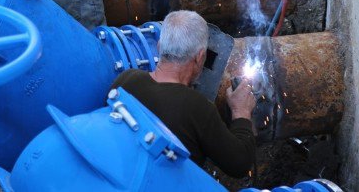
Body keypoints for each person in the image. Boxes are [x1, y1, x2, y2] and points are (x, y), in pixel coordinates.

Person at [109, 10, 257, 178]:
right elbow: (239, 164)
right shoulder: (197, 108)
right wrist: (241, 113)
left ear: (159, 46)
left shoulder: (125, 80)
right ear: (200, 57)